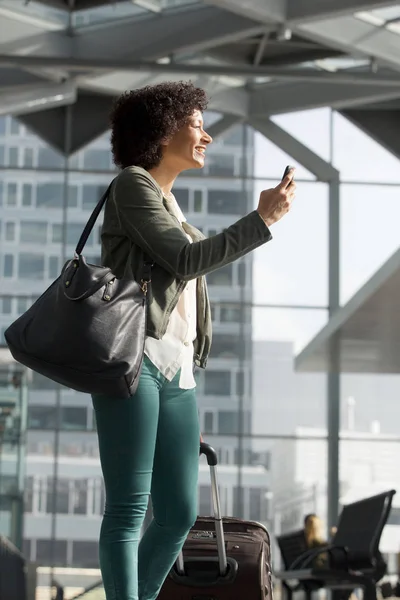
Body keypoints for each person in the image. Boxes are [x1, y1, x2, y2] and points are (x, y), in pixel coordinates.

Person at [92, 80, 296, 600]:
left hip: (177, 371)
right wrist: (262, 220)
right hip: (135, 363)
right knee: (128, 509)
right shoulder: (132, 186)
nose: (205, 136)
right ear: (163, 131)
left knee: (180, 513)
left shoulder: (173, 205)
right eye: (197, 125)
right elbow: (183, 262)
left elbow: (187, 268)